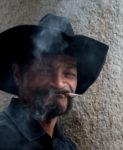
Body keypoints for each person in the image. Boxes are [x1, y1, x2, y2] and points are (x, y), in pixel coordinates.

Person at [0, 13, 109, 150]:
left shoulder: (68, 147)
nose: (58, 83)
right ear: (18, 75)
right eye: (45, 71)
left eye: (68, 73)